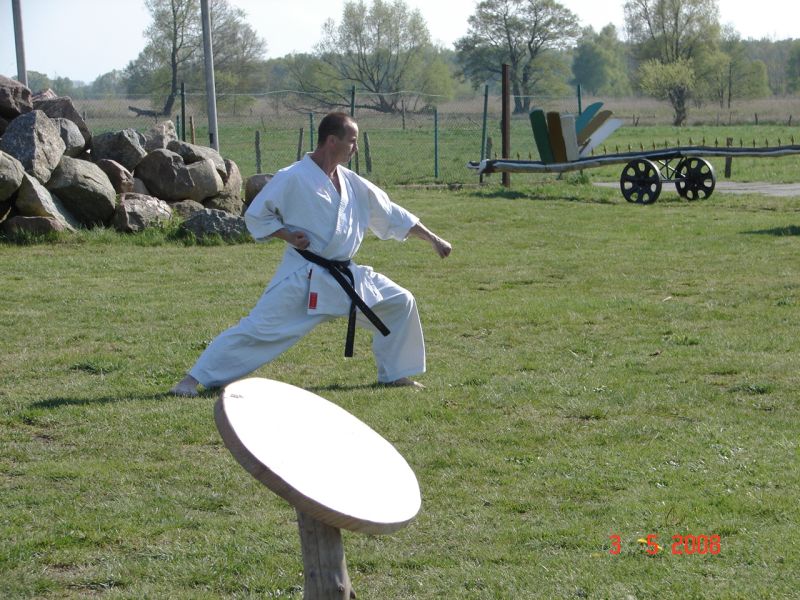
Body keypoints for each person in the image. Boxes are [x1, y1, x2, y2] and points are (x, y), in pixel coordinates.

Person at [171, 112, 452, 397]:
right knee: (259, 330)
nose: (355, 148)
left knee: (399, 302)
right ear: (332, 141)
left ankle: (395, 374)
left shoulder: (352, 182)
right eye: (352, 141)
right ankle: (191, 380)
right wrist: (287, 235)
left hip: (346, 276)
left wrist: (432, 238)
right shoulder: (293, 177)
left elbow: (390, 212)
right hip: (304, 278)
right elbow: (257, 215)